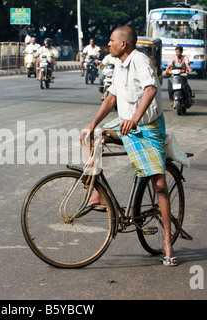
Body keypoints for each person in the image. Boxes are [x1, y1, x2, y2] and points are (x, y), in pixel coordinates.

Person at [80, 26, 178, 267]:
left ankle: (167, 241)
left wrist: (135, 117)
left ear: (123, 44)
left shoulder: (140, 60)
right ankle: (97, 192)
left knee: (160, 185)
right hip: (125, 124)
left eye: (111, 40)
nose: (108, 44)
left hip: (147, 127)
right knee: (88, 136)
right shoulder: (119, 65)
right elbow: (111, 97)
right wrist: (93, 124)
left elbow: (151, 89)